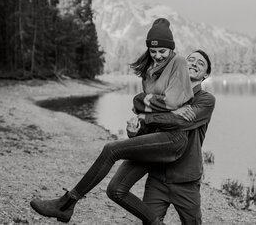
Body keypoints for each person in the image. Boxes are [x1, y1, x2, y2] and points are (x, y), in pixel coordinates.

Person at [30, 18, 194, 225]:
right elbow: (150, 107)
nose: (158, 55)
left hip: (173, 139)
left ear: (171, 49)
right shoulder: (149, 73)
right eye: (153, 51)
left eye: (163, 51)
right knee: (115, 190)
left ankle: (66, 204)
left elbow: (170, 102)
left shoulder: (178, 62)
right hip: (153, 137)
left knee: (111, 149)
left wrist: (143, 103)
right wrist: (137, 126)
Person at [107, 50, 215, 225]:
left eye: (201, 63)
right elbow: (150, 132)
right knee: (150, 222)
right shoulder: (164, 96)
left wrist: (146, 116)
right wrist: (135, 131)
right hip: (157, 176)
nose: (194, 64)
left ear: (206, 74)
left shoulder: (206, 100)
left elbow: (179, 122)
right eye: (191, 60)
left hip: (186, 180)